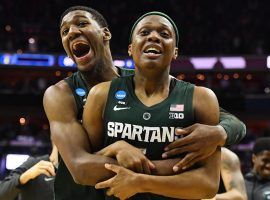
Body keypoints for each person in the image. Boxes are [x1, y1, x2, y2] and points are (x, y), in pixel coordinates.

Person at [43, 5, 246, 200]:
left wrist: (221, 133)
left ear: (105, 34)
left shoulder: (143, 79)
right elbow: (81, 167)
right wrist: (121, 150)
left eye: (82, 24)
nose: (71, 32)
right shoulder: (61, 94)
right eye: (64, 31)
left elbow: (233, 122)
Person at [82, 11, 221, 199]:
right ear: (131, 48)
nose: (154, 37)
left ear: (175, 52)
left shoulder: (202, 98)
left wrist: (140, 183)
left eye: (164, 34)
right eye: (144, 32)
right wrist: (116, 148)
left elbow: (208, 184)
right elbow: (84, 167)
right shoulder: (101, 94)